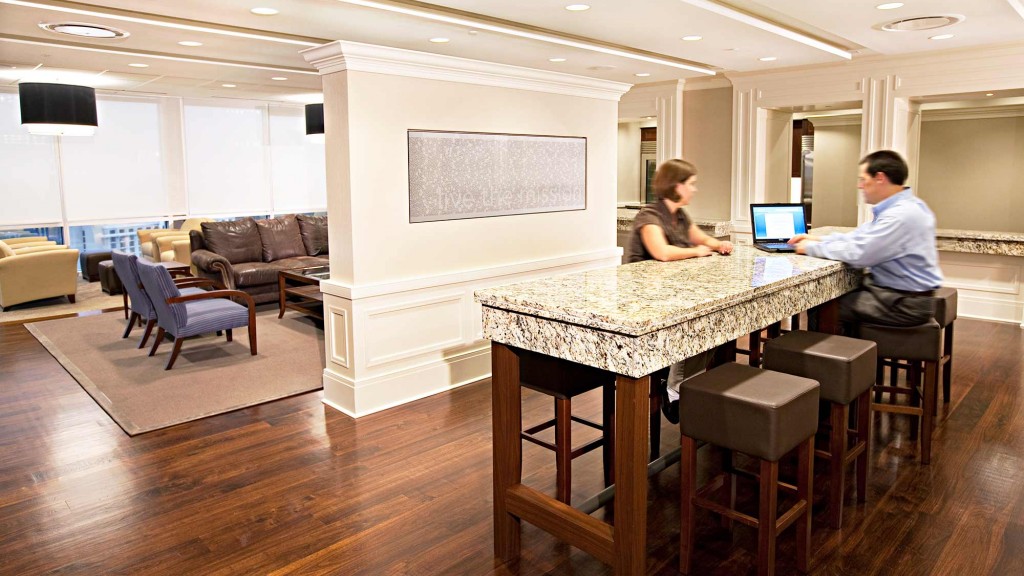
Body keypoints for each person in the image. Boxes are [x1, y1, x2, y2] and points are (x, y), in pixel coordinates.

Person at [626, 159, 733, 423]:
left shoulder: (681, 216)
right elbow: (661, 252)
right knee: (698, 326)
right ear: (677, 186)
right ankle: (674, 390)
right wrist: (697, 252)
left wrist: (717, 245)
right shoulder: (649, 216)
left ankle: (685, 382)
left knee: (718, 322)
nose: (695, 190)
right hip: (646, 301)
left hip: (671, 293)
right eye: (692, 184)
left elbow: (701, 238)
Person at [789, 149, 942, 331]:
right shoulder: (907, 206)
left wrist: (810, 248)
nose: (860, 186)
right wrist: (817, 239)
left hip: (903, 304)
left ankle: (841, 358)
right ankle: (857, 356)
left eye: (863, 180)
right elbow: (859, 238)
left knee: (824, 306)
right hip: (905, 297)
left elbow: (860, 253)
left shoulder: (900, 215)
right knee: (832, 299)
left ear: (880, 178)